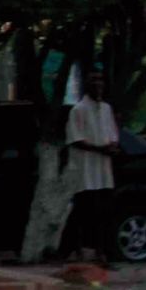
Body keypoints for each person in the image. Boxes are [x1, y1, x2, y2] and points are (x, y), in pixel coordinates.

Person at [63, 70, 120, 263]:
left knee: (103, 213)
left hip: (103, 172)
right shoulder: (78, 110)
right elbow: (76, 140)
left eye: (100, 80)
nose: (98, 83)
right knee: (84, 212)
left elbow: (113, 136)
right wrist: (100, 149)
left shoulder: (106, 109)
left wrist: (112, 148)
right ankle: (77, 250)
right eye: (93, 79)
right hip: (85, 172)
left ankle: (101, 252)